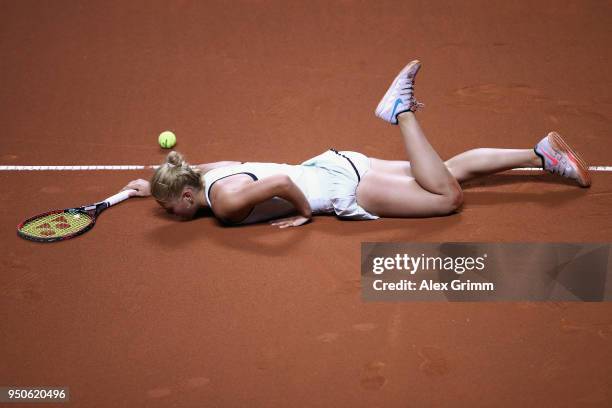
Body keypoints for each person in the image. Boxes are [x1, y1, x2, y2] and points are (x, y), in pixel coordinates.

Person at [121, 60, 591, 228]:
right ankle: (540, 154)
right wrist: (151, 186)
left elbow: (282, 182)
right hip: (337, 161)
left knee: (448, 198)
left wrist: (305, 213)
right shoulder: (204, 172)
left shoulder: (222, 203)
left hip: (342, 191)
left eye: (170, 208)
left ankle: (400, 111)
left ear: (188, 196)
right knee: (443, 171)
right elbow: (198, 168)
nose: (172, 214)